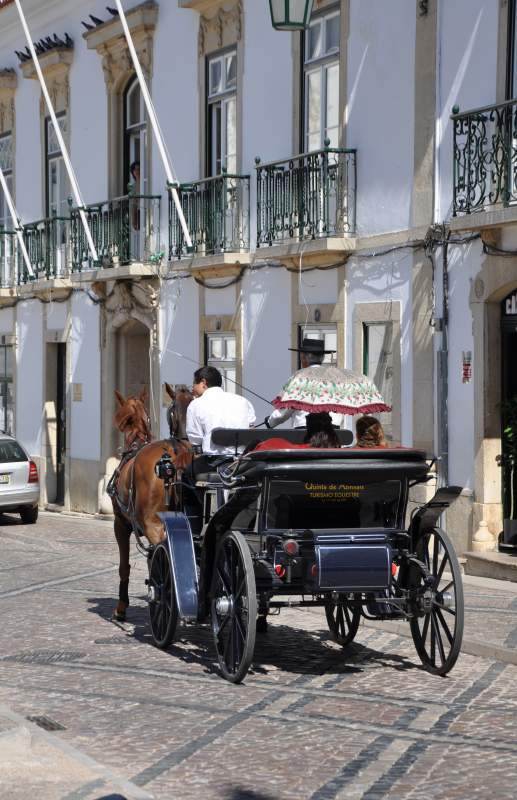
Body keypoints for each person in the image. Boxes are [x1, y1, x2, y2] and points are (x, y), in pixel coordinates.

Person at [186, 366, 256, 472]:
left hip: (213, 463)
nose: (193, 388)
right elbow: (251, 430)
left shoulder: (195, 405)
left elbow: (195, 439)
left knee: (185, 474)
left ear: (203, 382)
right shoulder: (243, 401)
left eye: (194, 384)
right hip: (242, 463)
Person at [265, 338, 343, 429]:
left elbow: (286, 409)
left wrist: (270, 421)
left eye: (301, 355)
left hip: (305, 429)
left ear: (305, 357)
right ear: (322, 357)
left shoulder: (299, 378)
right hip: (332, 429)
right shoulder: (335, 378)